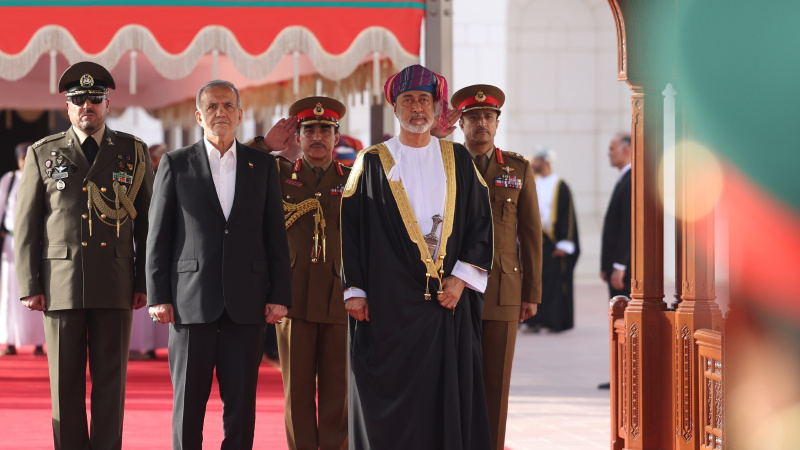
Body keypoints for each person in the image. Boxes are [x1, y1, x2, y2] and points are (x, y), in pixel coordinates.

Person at [341, 65, 494, 450]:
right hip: (388, 303)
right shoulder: (371, 161)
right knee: (391, 398)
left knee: (443, 397)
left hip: (446, 301)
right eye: (407, 100)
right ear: (395, 108)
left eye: (424, 99)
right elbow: (352, 229)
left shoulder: (458, 158)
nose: (417, 108)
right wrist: (355, 289)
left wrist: (461, 278)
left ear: (436, 107)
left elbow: (480, 222)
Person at [146, 79, 295, 449]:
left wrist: (280, 295)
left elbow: (275, 235)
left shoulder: (262, 165)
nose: (220, 112)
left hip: (247, 304)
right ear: (199, 116)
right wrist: (158, 296)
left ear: (240, 115)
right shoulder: (176, 163)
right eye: (212, 106)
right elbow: (158, 235)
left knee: (241, 408)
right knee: (188, 406)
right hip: (190, 303)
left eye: (228, 105)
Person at [14, 61, 154, 450]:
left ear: (108, 104)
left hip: (115, 281)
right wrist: (30, 284)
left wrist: (144, 281)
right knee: (65, 384)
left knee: (111, 382)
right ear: (67, 106)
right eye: (79, 100)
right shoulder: (43, 153)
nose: (86, 106)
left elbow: (149, 224)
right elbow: (27, 224)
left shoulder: (133, 152)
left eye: (94, 98)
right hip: (61, 284)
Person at [450, 84, 542, 450]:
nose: (481, 123)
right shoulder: (447, 164)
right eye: (473, 117)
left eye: (488, 116)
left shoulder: (517, 168)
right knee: (455, 380)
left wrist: (531, 293)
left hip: (503, 289)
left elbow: (531, 234)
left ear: (497, 123)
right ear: (461, 124)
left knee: (496, 383)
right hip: (455, 288)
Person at [272, 96, 350, 450]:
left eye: (325, 130)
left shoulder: (354, 179)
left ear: (337, 137)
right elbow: (239, 165)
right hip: (293, 298)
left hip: (340, 298)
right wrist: (266, 144)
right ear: (297, 137)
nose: (317, 137)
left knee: (338, 391)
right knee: (297, 391)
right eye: (309, 130)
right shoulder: (278, 175)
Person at [524, 146, 580, 333]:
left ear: (545, 162)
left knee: (553, 285)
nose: (533, 164)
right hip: (536, 241)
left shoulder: (560, 185)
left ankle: (552, 322)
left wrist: (565, 243)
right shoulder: (533, 182)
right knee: (534, 282)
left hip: (554, 244)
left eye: (536, 160)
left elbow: (567, 215)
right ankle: (533, 321)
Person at [0, 142, 45, 357]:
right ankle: (9, 341)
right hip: (12, 242)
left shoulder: (43, 177)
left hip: (37, 242)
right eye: (22, 158)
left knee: (36, 288)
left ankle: (38, 342)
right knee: (10, 291)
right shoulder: (9, 180)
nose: (25, 162)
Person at [598, 132, 632, 390]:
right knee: (617, 320)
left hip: (624, 270)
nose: (608, 153)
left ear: (626, 150)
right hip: (615, 268)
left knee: (624, 321)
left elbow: (628, 228)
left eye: (612, 148)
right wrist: (606, 265)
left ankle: (627, 376)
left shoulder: (631, 181)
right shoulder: (624, 179)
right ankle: (621, 375)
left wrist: (619, 265)